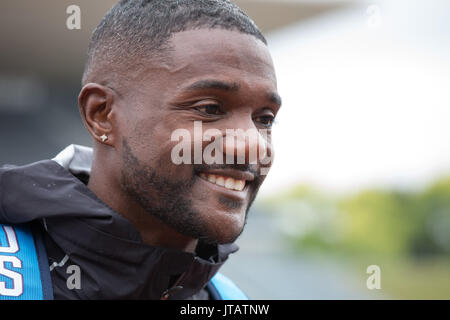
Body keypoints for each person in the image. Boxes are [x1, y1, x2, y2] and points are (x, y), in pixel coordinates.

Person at [0, 0, 281, 300]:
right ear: (101, 115)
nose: (253, 144)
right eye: (209, 109)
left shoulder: (231, 299)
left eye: (264, 119)